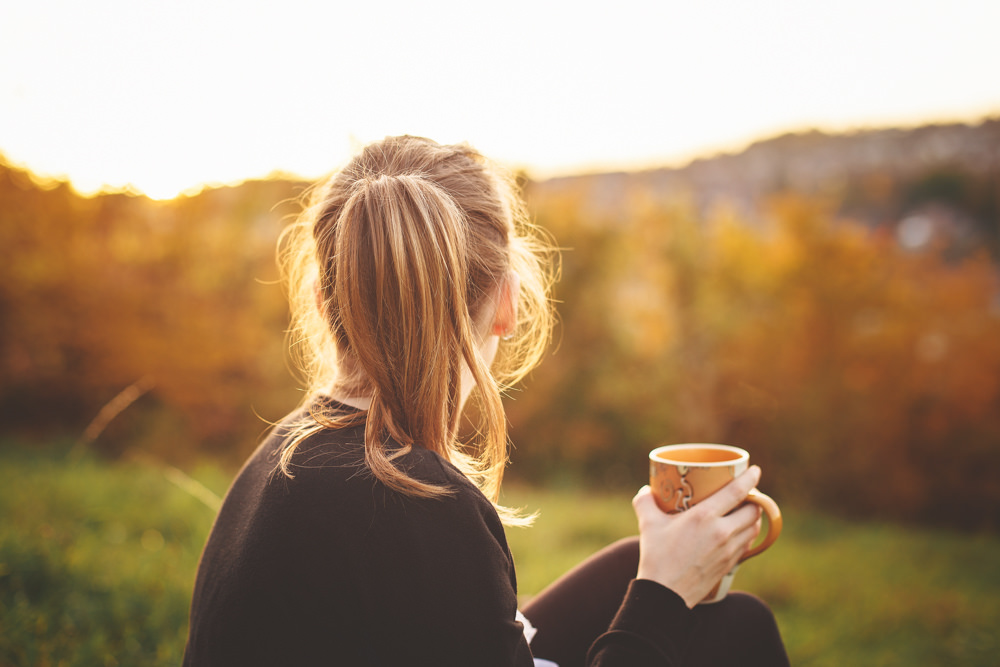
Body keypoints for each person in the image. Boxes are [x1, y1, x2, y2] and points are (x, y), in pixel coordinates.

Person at [182, 135, 789, 666]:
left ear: (321, 299)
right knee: (738, 626)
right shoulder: (417, 503)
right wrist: (663, 596)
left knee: (638, 561)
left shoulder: (288, 446)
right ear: (508, 305)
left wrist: (656, 576)